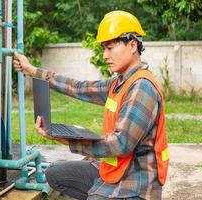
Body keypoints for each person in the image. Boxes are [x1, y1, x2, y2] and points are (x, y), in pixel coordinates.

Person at [13, 10, 169, 200]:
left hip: (137, 182)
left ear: (132, 45)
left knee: (96, 196)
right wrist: (33, 71)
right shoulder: (119, 83)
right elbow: (78, 88)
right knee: (55, 173)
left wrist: (70, 141)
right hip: (115, 169)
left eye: (110, 48)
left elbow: (120, 145)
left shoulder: (142, 87)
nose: (104, 55)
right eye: (103, 48)